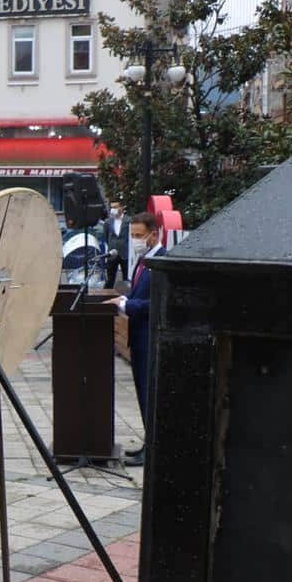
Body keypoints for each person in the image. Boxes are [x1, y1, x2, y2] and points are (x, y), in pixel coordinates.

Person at [112, 213, 165, 469]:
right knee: (143, 397)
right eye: (132, 236)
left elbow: (157, 303)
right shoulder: (144, 261)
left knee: (150, 396)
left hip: (150, 339)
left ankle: (154, 451)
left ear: (153, 233)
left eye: (138, 235)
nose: (135, 240)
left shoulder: (163, 262)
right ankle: (148, 445)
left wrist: (126, 304)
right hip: (138, 341)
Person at [103, 200, 130, 288]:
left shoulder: (129, 220)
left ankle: (125, 296)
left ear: (121, 208)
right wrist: (112, 246)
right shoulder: (108, 222)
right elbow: (107, 237)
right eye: (111, 207)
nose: (113, 209)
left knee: (126, 277)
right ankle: (106, 297)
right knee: (110, 278)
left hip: (125, 253)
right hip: (112, 253)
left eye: (115, 207)